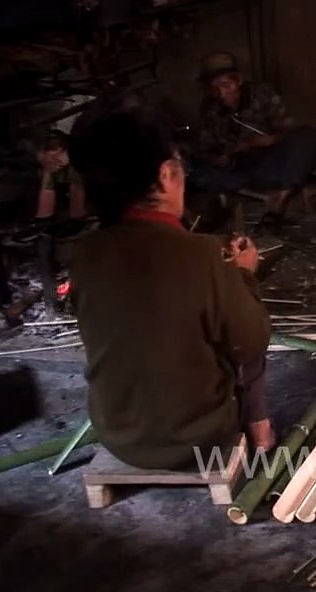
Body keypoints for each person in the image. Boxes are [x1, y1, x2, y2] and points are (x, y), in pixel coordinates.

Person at [68, 112, 275, 470]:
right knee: (243, 325)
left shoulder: (84, 254)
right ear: (164, 176)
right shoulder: (204, 254)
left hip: (119, 437)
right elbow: (251, 342)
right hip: (198, 440)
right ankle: (262, 432)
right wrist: (242, 276)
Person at [189, 50, 316, 227]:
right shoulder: (209, 108)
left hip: (273, 162)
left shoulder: (261, 95)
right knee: (194, 171)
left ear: (237, 81)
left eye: (226, 85)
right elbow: (208, 148)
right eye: (215, 88)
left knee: (307, 137)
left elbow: (289, 129)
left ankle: (281, 195)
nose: (221, 93)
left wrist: (267, 140)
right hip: (240, 169)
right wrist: (224, 156)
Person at [34, 129, 87, 220]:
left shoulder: (69, 150)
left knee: (76, 180)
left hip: (71, 169)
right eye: (50, 138)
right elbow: (42, 156)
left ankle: (77, 214)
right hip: (53, 173)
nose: (52, 140)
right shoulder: (45, 151)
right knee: (47, 180)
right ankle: (45, 214)